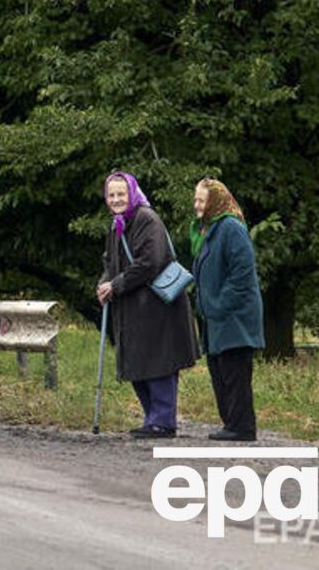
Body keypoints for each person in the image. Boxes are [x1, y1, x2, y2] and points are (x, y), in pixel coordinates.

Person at [96, 172, 199, 439]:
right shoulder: (117, 223)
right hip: (136, 308)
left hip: (158, 308)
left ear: (132, 194)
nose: (116, 199)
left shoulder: (146, 219)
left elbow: (149, 263)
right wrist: (105, 282)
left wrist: (115, 285)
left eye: (121, 194)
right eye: (111, 195)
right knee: (139, 363)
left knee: (159, 363)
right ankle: (153, 419)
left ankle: (163, 422)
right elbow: (110, 260)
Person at [191, 178, 264, 442]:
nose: (197, 205)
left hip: (235, 317)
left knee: (234, 373)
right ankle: (232, 425)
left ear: (216, 201)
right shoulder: (209, 229)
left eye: (202, 200)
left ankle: (242, 427)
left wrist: (220, 304)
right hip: (216, 318)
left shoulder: (231, 228)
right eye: (196, 200)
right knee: (220, 371)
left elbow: (243, 272)